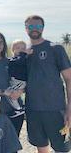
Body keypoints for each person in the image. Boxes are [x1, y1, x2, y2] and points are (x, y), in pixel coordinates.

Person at [24, 15, 71, 153]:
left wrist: (69, 107)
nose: (34, 29)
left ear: (43, 28)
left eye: (38, 26)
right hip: (33, 110)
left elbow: (69, 79)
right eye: (31, 26)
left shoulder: (55, 48)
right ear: (26, 28)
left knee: (61, 148)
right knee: (42, 147)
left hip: (55, 109)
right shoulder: (25, 52)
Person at [0, 32, 24, 136]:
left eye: (0, 42)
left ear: (4, 44)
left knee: (12, 146)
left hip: (14, 111)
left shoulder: (12, 62)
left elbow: (24, 79)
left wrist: (21, 91)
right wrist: (3, 92)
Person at [4, 39, 30, 114]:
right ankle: (17, 107)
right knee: (11, 93)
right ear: (13, 50)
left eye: (23, 49)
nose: (21, 50)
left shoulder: (24, 59)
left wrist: (24, 55)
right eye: (18, 48)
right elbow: (16, 62)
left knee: (13, 94)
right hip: (15, 80)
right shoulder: (13, 60)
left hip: (21, 81)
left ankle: (18, 108)